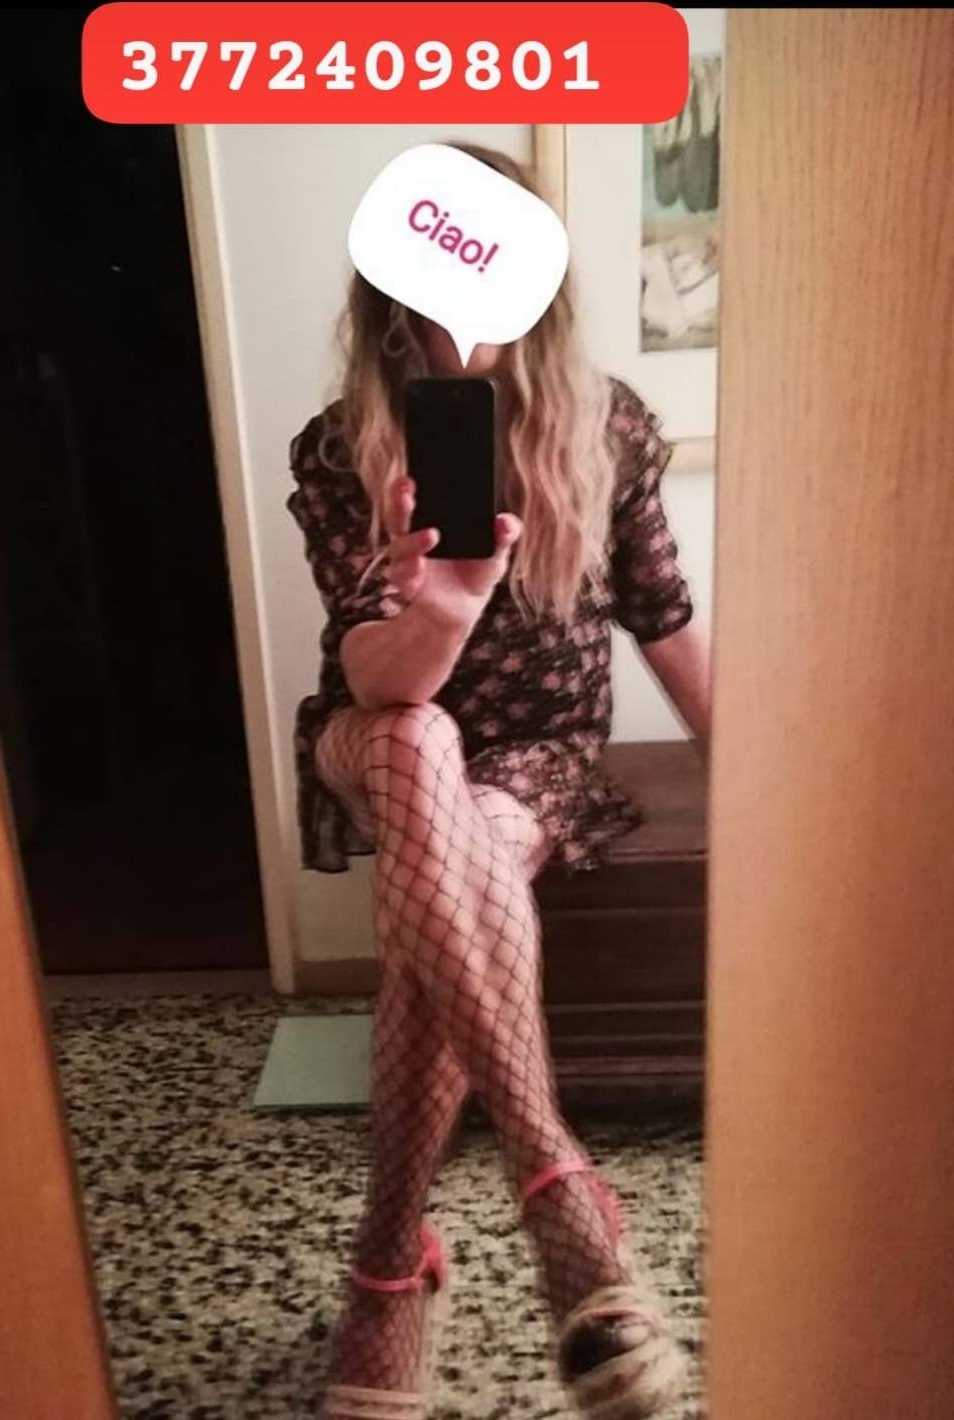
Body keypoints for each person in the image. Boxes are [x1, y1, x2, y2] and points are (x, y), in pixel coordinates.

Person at [286, 142, 710, 1420]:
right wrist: (450, 606)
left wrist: (765, 793)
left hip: (539, 756)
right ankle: (559, 1188)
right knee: (416, 744)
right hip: (377, 728)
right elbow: (376, 680)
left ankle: (388, 1261)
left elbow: (665, 619)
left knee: (439, 858)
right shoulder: (340, 449)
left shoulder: (607, 423)